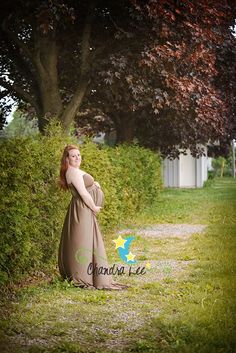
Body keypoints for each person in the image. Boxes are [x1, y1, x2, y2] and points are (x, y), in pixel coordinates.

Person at [58, 144, 128, 290]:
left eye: (79, 155)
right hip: (83, 209)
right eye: (73, 156)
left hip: (83, 209)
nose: (77, 158)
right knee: (83, 242)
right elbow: (83, 194)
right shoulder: (73, 172)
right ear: (67, 159)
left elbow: (84, 186)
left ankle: (90, 274)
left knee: (87, 241)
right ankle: (83, 276)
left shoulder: (74, 171)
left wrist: (94, 183)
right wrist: (94, 207)